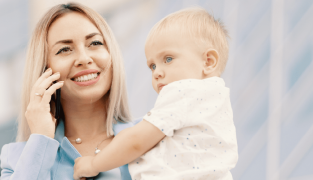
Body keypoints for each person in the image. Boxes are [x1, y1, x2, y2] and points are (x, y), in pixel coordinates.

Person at [73, 7, 238, 180]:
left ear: (208, 61)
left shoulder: (184, 92)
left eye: (168, 59)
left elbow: (137, 141)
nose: (157, 72)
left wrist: (94, 164)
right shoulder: (216, 100)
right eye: (152, 66)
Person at [0, 3, 134, 179]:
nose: (84, 59)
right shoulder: (17, 159)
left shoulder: (153, 136)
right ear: (43, 70)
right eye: (64, 49)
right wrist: (40, 139)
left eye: (95, 43)